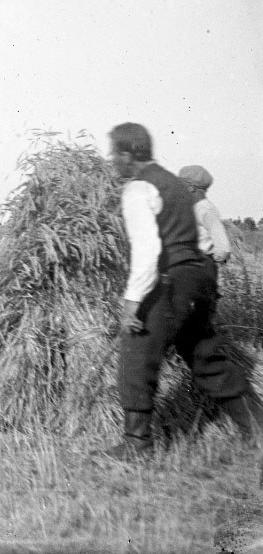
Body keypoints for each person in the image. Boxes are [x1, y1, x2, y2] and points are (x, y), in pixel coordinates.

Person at [98, 123, 254, 460]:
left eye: (115, 153)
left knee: (136, 356)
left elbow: (147, 248)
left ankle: (136, 447)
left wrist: (132, 302)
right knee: (204, 353)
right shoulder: (176, 184)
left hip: (165, 283)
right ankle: (256, 427)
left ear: (128, 154)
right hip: (194, 278)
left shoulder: (138, 189)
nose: (112, 160)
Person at [178, 165, 232, 272]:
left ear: (191, 187)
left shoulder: (206, 209)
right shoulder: (193, 208)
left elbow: (223, 247)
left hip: (199, 267)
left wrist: (207, 259)